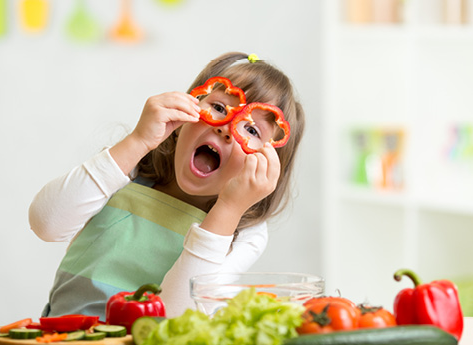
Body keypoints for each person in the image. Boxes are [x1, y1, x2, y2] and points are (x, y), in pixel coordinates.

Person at [29, 51, 306, 319]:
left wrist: (229, 208)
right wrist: (137, 140)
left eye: (252, 130)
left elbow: (177, 315)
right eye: (219, 107)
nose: (226, 127)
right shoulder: (129, 167)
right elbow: (46, 224)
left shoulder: (247, 232)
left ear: (268, 164)